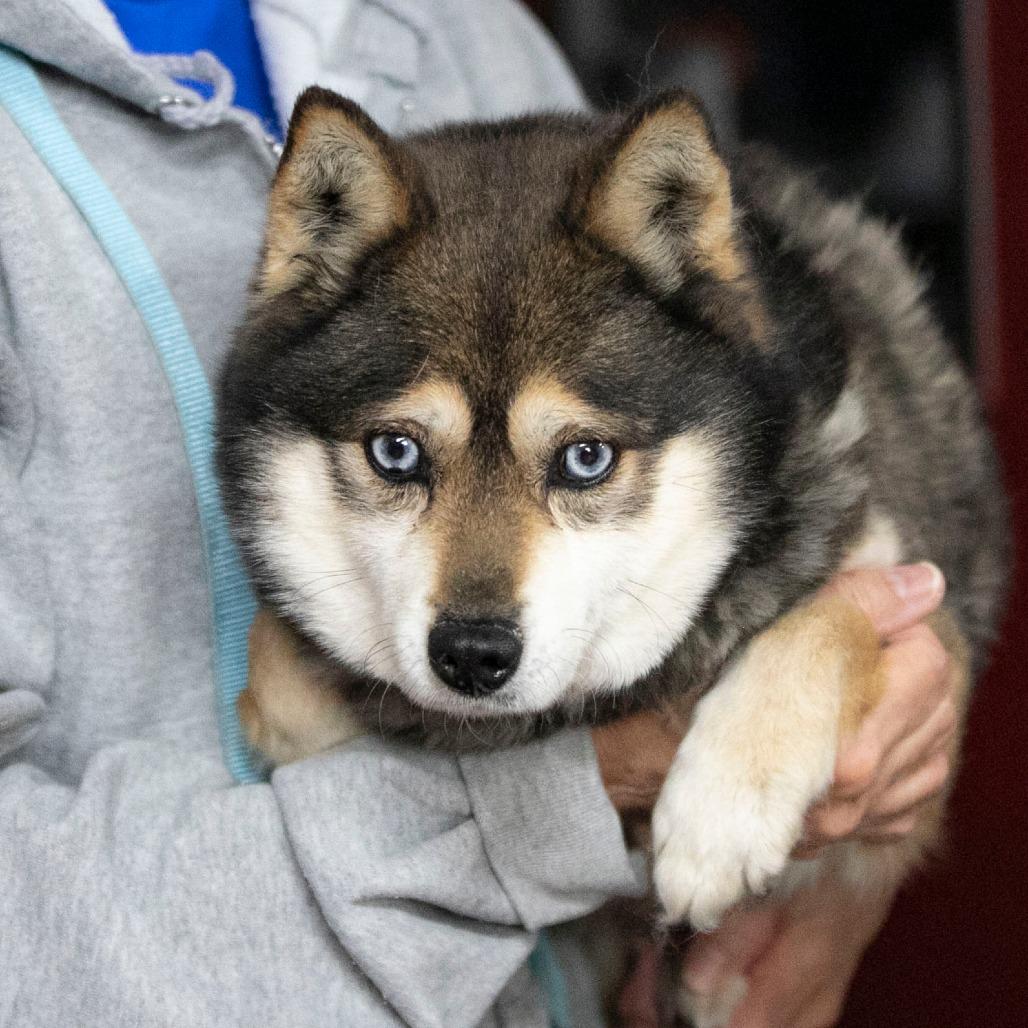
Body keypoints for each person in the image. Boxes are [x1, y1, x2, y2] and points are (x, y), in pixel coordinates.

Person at [0, 1, 956, 1025]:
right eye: (399, 454)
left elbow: (901, 629)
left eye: (582, 460)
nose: (479, 596)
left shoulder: (466, 27)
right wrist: (560, 797)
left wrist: (823, 869)